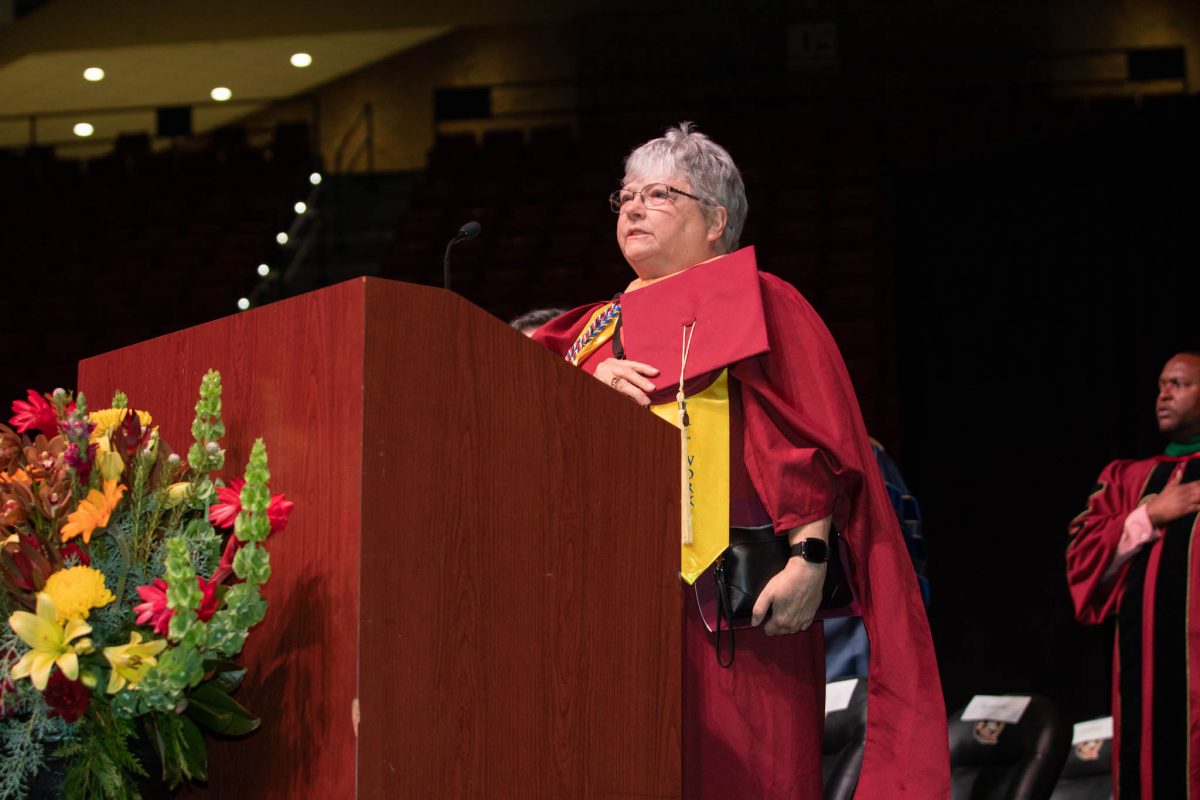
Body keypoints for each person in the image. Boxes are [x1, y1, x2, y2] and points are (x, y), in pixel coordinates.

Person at [532, 123, 948, 798]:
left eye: (659, 193)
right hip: (610, 608)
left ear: (717, 218)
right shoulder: (588, 333)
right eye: (625, 195)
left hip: (742, 603)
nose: (633, 207)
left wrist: (809, 561)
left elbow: (811, 444)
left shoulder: (762, 300)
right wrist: (574, 394)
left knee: (752, 778)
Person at [1067, 350, 1200, 799]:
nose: (1164, 394)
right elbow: (1083, 557)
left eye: (1179, 384)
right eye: (1162, 384)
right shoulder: (1128, 479)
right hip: (1144, 675)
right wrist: (1149, 516)